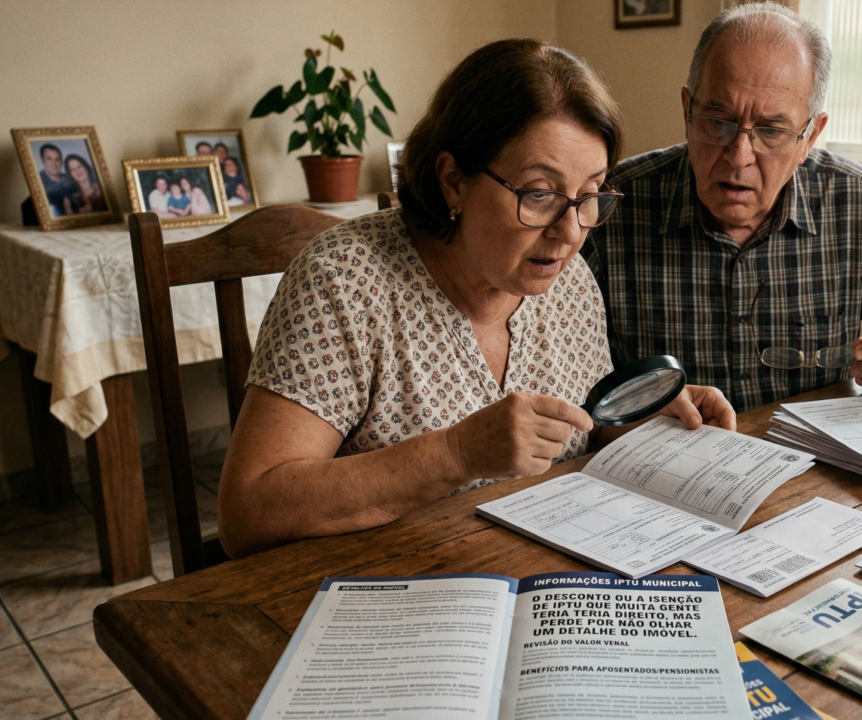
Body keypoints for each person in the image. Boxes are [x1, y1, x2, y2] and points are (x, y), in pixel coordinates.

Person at [218, 38, 736, 558]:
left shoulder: (569, 280)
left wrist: (636, 419)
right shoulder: (346, 279)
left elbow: (576, 434)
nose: (571, 231)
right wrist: (457, 452)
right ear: (453, 181)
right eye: (539, 194)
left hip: (536, 575)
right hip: (390, 592)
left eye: (591, 195)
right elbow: (248, 512)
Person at [584, 2, 862, 413]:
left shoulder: (859, 205)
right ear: (687, 111)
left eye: (771, 130)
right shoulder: (608, 208)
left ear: (810, 135)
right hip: (658, 464)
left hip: (814, 468)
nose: (739, 155)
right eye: (718, 121)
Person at [36, 143, 78, 217]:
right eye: (49, 159)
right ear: (42, 161)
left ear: (61, 161)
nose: (54, 163)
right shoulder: (36, 181)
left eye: (57, 159)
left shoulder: (71, 179)